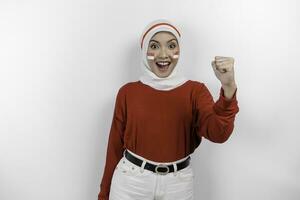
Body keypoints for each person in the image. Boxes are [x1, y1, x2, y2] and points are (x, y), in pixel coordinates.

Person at [98, 19, 239, 200]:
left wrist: (228, 88)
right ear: (144, 51)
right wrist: (104, 194)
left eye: (171, 46)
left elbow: (219, 134)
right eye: (155, 46)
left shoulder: (195, 91)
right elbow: (114, 147)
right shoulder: (128, 92)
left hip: (178, 185)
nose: (163, 54)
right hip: (131, 183)